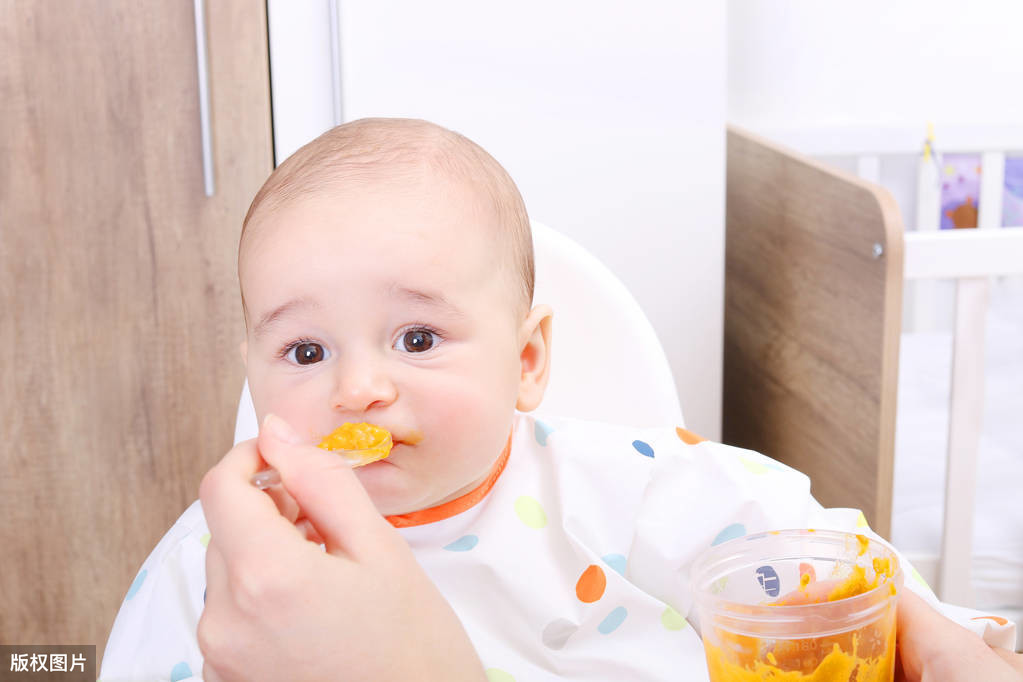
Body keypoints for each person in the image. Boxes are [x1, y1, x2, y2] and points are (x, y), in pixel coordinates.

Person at [100, 118, 1020, 681]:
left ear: (528, 359)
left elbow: (803, 549)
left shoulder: (626, 486)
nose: (358, 388)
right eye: (304, 350)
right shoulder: (228, 568)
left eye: (416, 339)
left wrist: (930, 636)